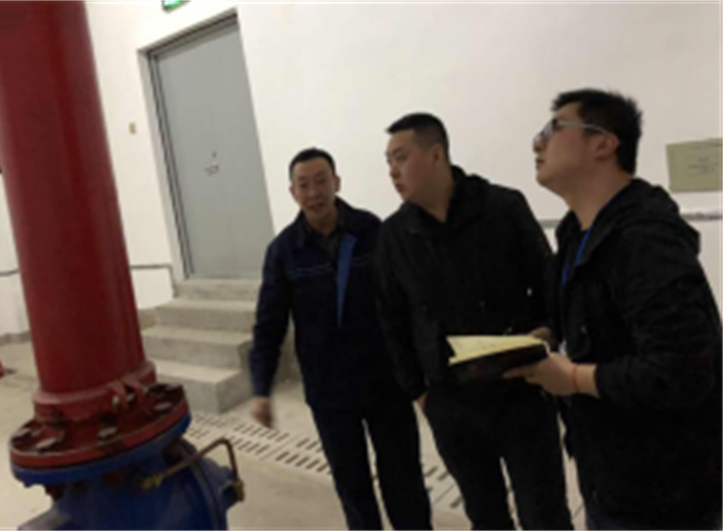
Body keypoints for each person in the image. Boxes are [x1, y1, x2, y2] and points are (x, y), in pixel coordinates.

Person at [508, 88, 723, 530]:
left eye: (554, 128)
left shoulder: (646, 240)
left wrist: (572, 378)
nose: (537, 143)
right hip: (608, 475)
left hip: (666, 492)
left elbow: (682, 371)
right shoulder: (574, 233)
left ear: (603, 143)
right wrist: (547, 337)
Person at [375, 113, 574, 531]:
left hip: (522, 392)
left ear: (436, 155)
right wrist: (419, 393)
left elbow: (550, 284)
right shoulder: (394, 235)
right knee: (485, 516)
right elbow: (392, 318)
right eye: (388, 161)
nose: (392, 171)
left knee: (545, 516)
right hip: (452, 404)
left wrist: (548, 332)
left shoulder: (502, 207)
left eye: (401, 157)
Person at [249, 148, 432, 531]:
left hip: (386, 381)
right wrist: (261, 388)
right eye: (303, 185)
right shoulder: (284, 251)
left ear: (337, 182)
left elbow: (403, 301)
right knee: (352, 486)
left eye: (321, 181)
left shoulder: (371, 231)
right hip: (328, 391)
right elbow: (269, 324)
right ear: (292, 193)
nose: (314, 192)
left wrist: (419, 368)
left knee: (404, 480)